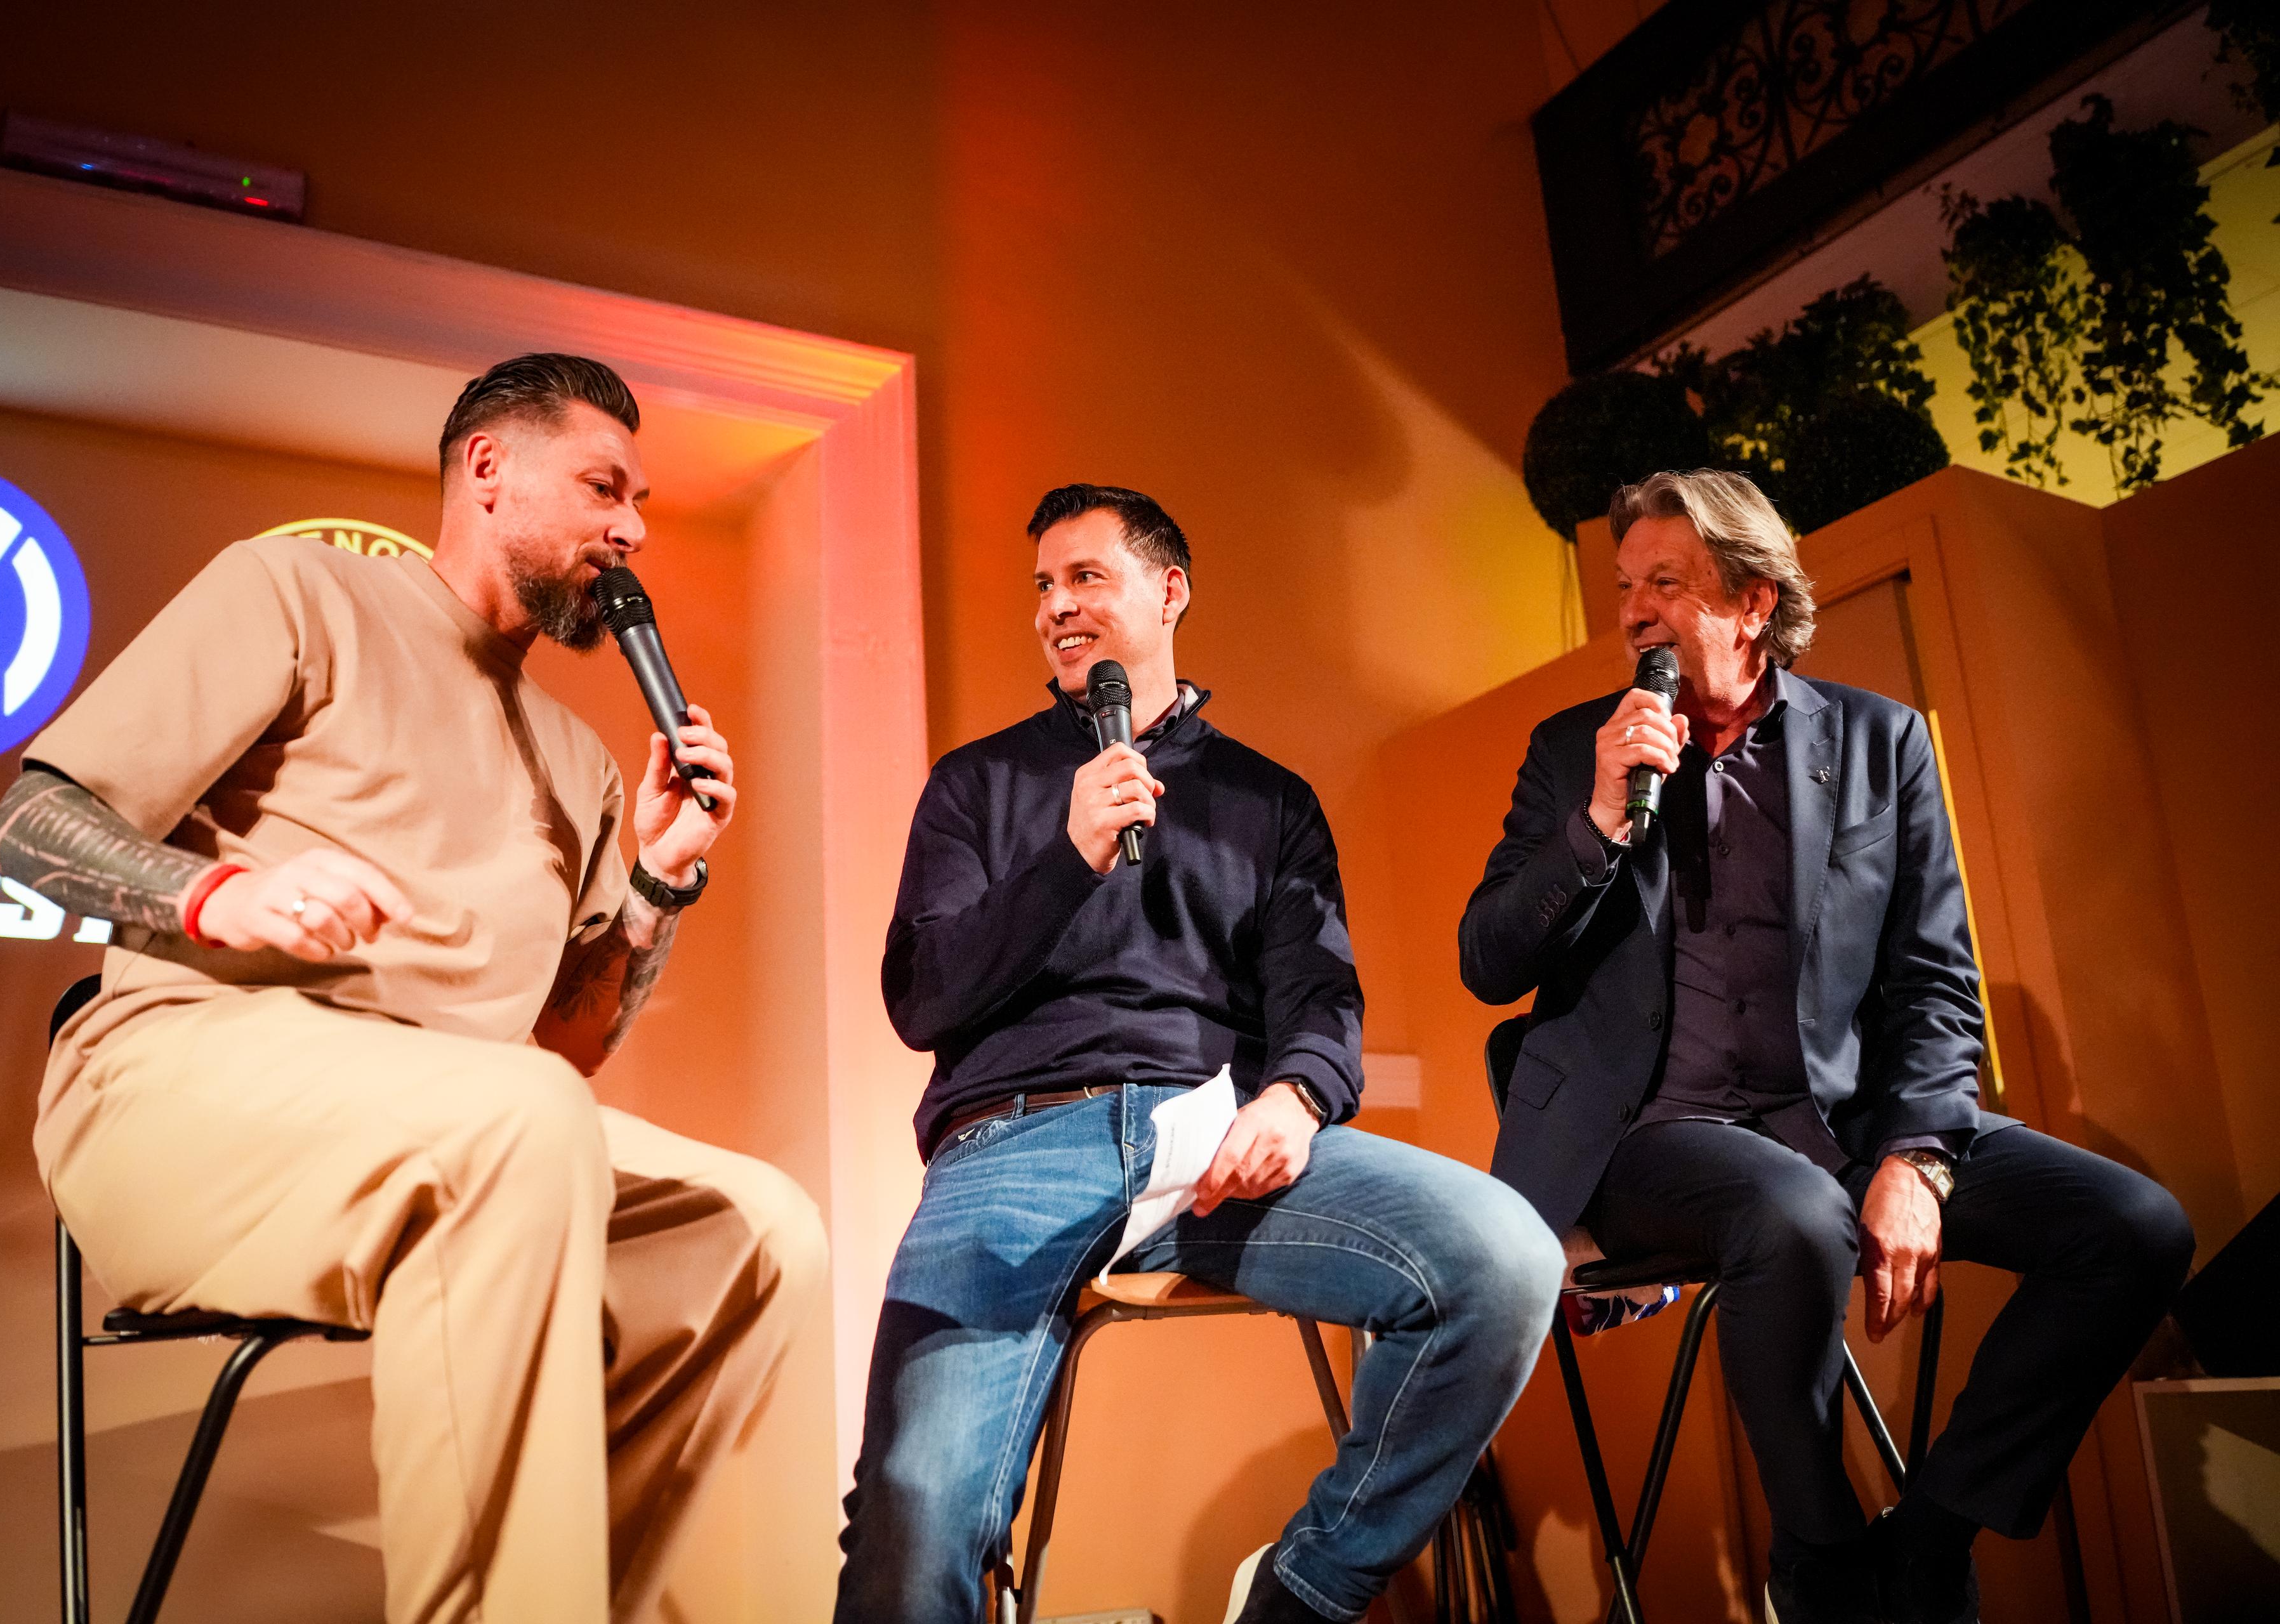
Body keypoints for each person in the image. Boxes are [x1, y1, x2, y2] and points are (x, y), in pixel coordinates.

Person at [0, 353, 827, 1624]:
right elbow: (28, 823)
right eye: (605, 487)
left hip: (475, 1113)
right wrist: (219, 897)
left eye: (641, 503)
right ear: (488, 469)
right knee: (519, 1120)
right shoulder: (300, 588)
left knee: (760, 1231)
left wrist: (658, 878)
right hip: (184, 1080)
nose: (634, 531)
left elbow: (564, 1050)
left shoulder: (583, 763)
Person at [1459, 469, 2194, 1624]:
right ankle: (1822, 1554)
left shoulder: (1878, 742)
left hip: (1837, 1121)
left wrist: (1918, 1156)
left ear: (1753, 601)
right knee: (1794, 1214)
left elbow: (1934, 980)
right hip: (1647, 1136)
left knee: (2136, 1228)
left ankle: (1933, 1535)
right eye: (1626, 588)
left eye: (1666, 584)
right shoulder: (1572, 751)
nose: (1635, 613)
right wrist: (1597, 820)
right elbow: (1489, 961)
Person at [836, 483, 1562, 1624]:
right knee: (913, 1510)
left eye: (1087, 577)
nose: (1056, 606)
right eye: (1043, 585)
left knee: (1504, 1260)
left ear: (1170, 591)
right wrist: (1068, 857)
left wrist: (1297, 1099)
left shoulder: (1270, 801)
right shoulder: (977, 784)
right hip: (1014, 1150)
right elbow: (924, 997)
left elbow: (1319, 996)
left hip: (1209, 1143)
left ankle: (1298, 1597)